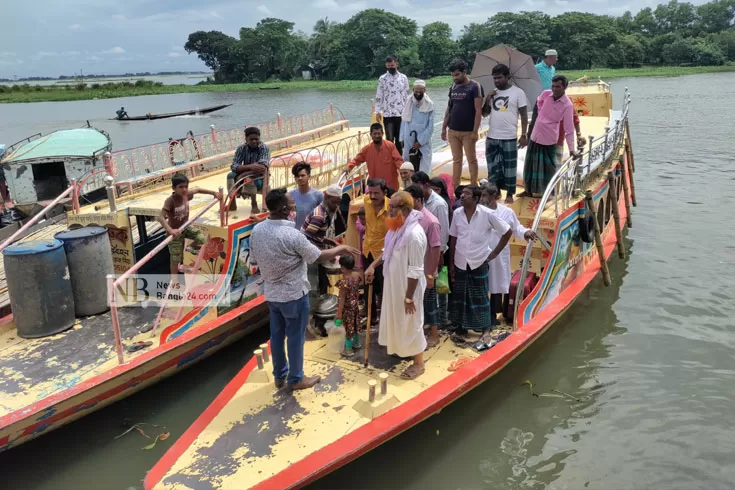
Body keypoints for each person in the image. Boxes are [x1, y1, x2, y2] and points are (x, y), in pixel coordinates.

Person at [250, 188, 358, 391]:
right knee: (295, 337)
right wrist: (341, 249)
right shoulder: (292, 235)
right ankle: (296, 378)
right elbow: (316, 256)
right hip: (293, 295)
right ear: (283, 209)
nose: (294, 207)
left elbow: (255, 261)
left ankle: (280, 375)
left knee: (276, 336)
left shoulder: (257, 231)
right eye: (291, 204)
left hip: (272, 294)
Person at [372, 191, 427, 379]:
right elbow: (386, 252)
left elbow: (415, 270)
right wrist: (372, 265)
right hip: (394, 286)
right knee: (396, 319)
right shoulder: (395, 229)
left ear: (403, 209)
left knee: (411, 322)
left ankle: (419, 363)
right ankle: (401, 349)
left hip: (407, 289)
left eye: (392, 207)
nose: (389, 210)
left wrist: (409, 297)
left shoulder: (414, 234)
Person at [448, 185, 512, 337]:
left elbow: (507, 231)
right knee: (460, 297)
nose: (462, 196)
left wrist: (495, 252)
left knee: (481, 296)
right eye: (462, 193)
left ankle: (486, 328)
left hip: (479, 260)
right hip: (460, 261)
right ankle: (461, 327)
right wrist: (451, 263)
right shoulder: (457, 213)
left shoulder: (487, 214)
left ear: (476, 199)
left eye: (467, 194)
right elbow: (453, 238)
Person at [480, 183, 537, 325]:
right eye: (481, 195)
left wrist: (526, 232)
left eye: (484, 195)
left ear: (494, 197)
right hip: (480, 252)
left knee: (496, 284)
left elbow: (517, 228)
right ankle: (482, 316)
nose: (481, 199)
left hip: (498, 254)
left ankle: (493, 315)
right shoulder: (478, 211)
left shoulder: (506, 212)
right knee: (481, 284)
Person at [521, 75, 578, 197]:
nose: (555, 89)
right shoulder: (546, 94)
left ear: (564, 87)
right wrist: (542, 113)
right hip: (536, 134)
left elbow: (569, 129)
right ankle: (528, 191)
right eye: (553, 86)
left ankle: (549, 193)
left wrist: (572, 149)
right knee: (530, 164)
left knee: (549, 167)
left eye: (558, 86)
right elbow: (539, 100)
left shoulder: (567, 105)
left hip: (549, 137)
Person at [158, 173, 222, 281]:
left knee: (203, 239)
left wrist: (214, 193)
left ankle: (191, 247)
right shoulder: (170, 201)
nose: (184, 189)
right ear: (174, 188)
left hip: (186, 227)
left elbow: (197, 189)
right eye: (180, 187)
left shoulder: (186, 194)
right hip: (174, 233)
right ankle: (174, 281)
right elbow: (160, 217)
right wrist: (170, 230)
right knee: (175, 259)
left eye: (186, 187)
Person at [482, 64, 528, 204]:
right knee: (493, 167)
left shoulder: (518, 92)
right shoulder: (493, 93)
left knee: (509, 167)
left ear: (507, 77)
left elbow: (524, 115)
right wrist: (488, 98)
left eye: (500, 77)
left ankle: (509, 193)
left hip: (509, 136)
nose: (497, 81)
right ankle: (495, 193)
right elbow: (484, 113)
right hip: (492, 136)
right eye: (494, 78)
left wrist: (524, 134)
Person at [405, 185, 442, 348]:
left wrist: (430, 274)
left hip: (425, 269)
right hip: (412, 268)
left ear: (418, 200)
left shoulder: (431, 221)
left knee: (430, 303)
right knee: (416, 304)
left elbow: (435, 249)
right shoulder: (409, 217)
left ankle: (435, 334)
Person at [412, 172, 450, 329]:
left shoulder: (439, 204)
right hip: (424, 252)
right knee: (430, 290)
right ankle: (431, 321)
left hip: (437, 251)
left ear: (426, 185)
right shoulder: (422, 203)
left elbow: (443, 232)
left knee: (439, 287)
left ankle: (441, 320)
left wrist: (440, 254)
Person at [441, 59, 483, 188]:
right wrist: (443, 128)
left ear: (464, 72)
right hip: (453, 130)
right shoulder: (453, 86)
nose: (454, 78)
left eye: (457, 75)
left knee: (471, 159)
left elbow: (478, 110)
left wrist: (475, 131)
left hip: (468, 131)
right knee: (456, 160)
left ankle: (473, 184)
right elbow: (449, 108)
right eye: (453, 75)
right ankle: (455, 186)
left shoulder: (475, 87)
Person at [302, 183, 347, 295]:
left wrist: (330, 241)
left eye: (338, 203)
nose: (336, 206)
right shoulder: (319, 216)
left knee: (322, 282)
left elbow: (316, 235)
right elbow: (306, 240)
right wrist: (328, 254)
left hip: (315, 252)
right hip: (309, 256)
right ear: (326, 197)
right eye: (333, 202)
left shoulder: (326, 212)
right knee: (314, 284)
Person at [345, 123, 404, 192]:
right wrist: (349, 167)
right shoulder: (366, 149)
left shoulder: (390, 146)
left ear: (382, 133)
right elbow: (356, 160)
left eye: (379, 133)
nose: (377, 136)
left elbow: (398, 160)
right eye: (374, 134)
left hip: (391, 186)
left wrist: (403, 171)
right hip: (376, 188)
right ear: (371, 134)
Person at [362, 178, 390, 323]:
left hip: (384, 254)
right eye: (370, 192)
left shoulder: (392, 208)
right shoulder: (366, 201)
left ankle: (386, 320)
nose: (372, 196)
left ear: (384, 192)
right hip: (367, 250)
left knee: (385, 287)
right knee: (368, 286)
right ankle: (371, 317)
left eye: (376, 193)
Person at [228, 127, 270, 213]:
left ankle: (253, 203)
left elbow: (262, 168)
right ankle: (231, 203)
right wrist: (250, 167)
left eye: (256, 139)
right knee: (230, 175)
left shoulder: (263, 148)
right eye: (251, 139)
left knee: (249, 178)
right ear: (246, 139)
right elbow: (234, 166)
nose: (254, 141)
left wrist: (243, 174)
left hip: (261, 177)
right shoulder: (241, 148)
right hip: (247, 172)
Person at [375, 55, 410, 154]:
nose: (391, 67)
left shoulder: (403, 78)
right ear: (386, 66)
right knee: (389, 139)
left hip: (401, 114)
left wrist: (409, 111)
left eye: (392, 65)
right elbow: (379, 95)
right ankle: (390, 160)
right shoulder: (382, 78)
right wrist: (377, 111)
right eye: (388, 66)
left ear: (396, 64)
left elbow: (407, 95)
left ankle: (400, 162)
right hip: (388, 114)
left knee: (400, 140)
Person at [400, 79, 435, 173]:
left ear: (425, 90)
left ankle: (423, 184)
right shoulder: (408, 102)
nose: (418, 93)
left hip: (423, 139)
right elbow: (403, 121)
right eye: (416, 91)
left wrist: (421, 142)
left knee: (425, 163)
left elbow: (430, 126)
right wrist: (401, 138)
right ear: (413, 90)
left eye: (421, 91)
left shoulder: (430, 105)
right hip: (408, 137)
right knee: (407, 162)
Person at [336, 254, 363, 357]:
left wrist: (339, 312)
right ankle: (356, 343)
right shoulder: (357, 276)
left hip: (347, 309)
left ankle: (348, 349)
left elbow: (342, 299)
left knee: (347, 328)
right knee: (355, 326)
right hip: (355, 307)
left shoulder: (343, 282)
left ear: (342, 267)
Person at [289, 162, 323, 230]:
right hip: (295, 234)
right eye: (297, 176)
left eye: (302, 175)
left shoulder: (318, 195)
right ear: (295, 178)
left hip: (311, 235)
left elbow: (324, 217)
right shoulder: (290, 195)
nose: (300, 178)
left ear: (309, 176)